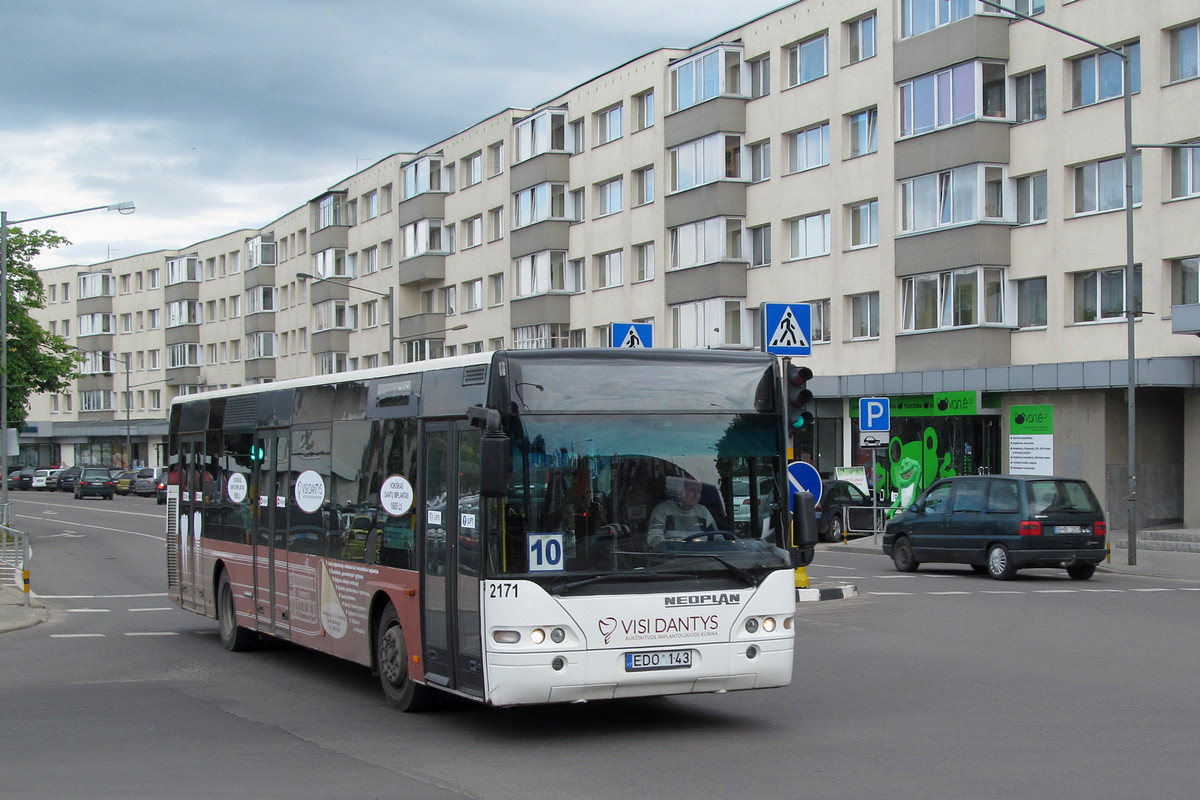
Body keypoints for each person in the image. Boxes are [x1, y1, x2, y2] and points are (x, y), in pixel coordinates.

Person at [647, 476, 717, 548]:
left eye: (699, 491)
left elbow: (717, 537)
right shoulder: (662, 510)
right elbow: (654, 539)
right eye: (692, 490)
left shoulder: (703, 511)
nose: (696, 495)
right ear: (680, 491)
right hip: (673, 557)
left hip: (704, 556)